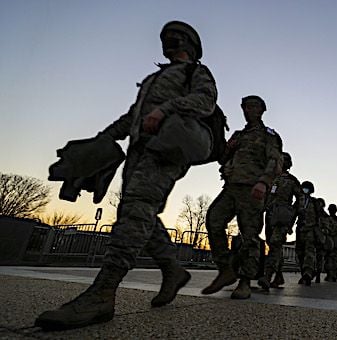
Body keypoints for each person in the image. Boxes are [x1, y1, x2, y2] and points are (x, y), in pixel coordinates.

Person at [35, 21, 218, 330]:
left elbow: (206, 101)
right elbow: (133, 116)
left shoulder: (195, 72)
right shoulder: (155, 78)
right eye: (163, 38)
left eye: (173, 37)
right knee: (136, 210)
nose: (166, 42)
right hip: (139, 151)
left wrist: (166, 110)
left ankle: (103, 292)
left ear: (188, 42)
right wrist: (102, 139)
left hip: (167, 148)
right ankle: (172, 268)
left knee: (136, 209)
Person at [202, 95, 283, 299]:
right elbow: (221, 159)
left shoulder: (268, 135)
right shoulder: (238, 135)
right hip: (231, 187)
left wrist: (263, 182)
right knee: (213, 220)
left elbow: (275, 161)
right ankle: (225, 268)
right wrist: (226, 151)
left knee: (249, 235)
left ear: (262, 110)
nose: (248, 110)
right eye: (245, 107)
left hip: (252, 189)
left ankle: (245, 281)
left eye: (253, 106)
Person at [258, 152, 303, 291]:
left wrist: (291, 214)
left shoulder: (292, 181)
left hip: (282, 217)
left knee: (276, 243)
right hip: (269, 214)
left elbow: (300, 200)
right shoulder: (270, 177)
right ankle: (278, 275)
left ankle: (267, 276)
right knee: (271, 244)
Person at [295, 181, 319, 286]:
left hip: (311, 230)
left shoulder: (314, 202)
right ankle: (303, 273)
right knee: (300, 253)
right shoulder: (298, 202)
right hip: (300, 230)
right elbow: (293, 213)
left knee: (309, 252)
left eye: (307, 188)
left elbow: (320, 216)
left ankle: (308, 273)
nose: (305, 190)